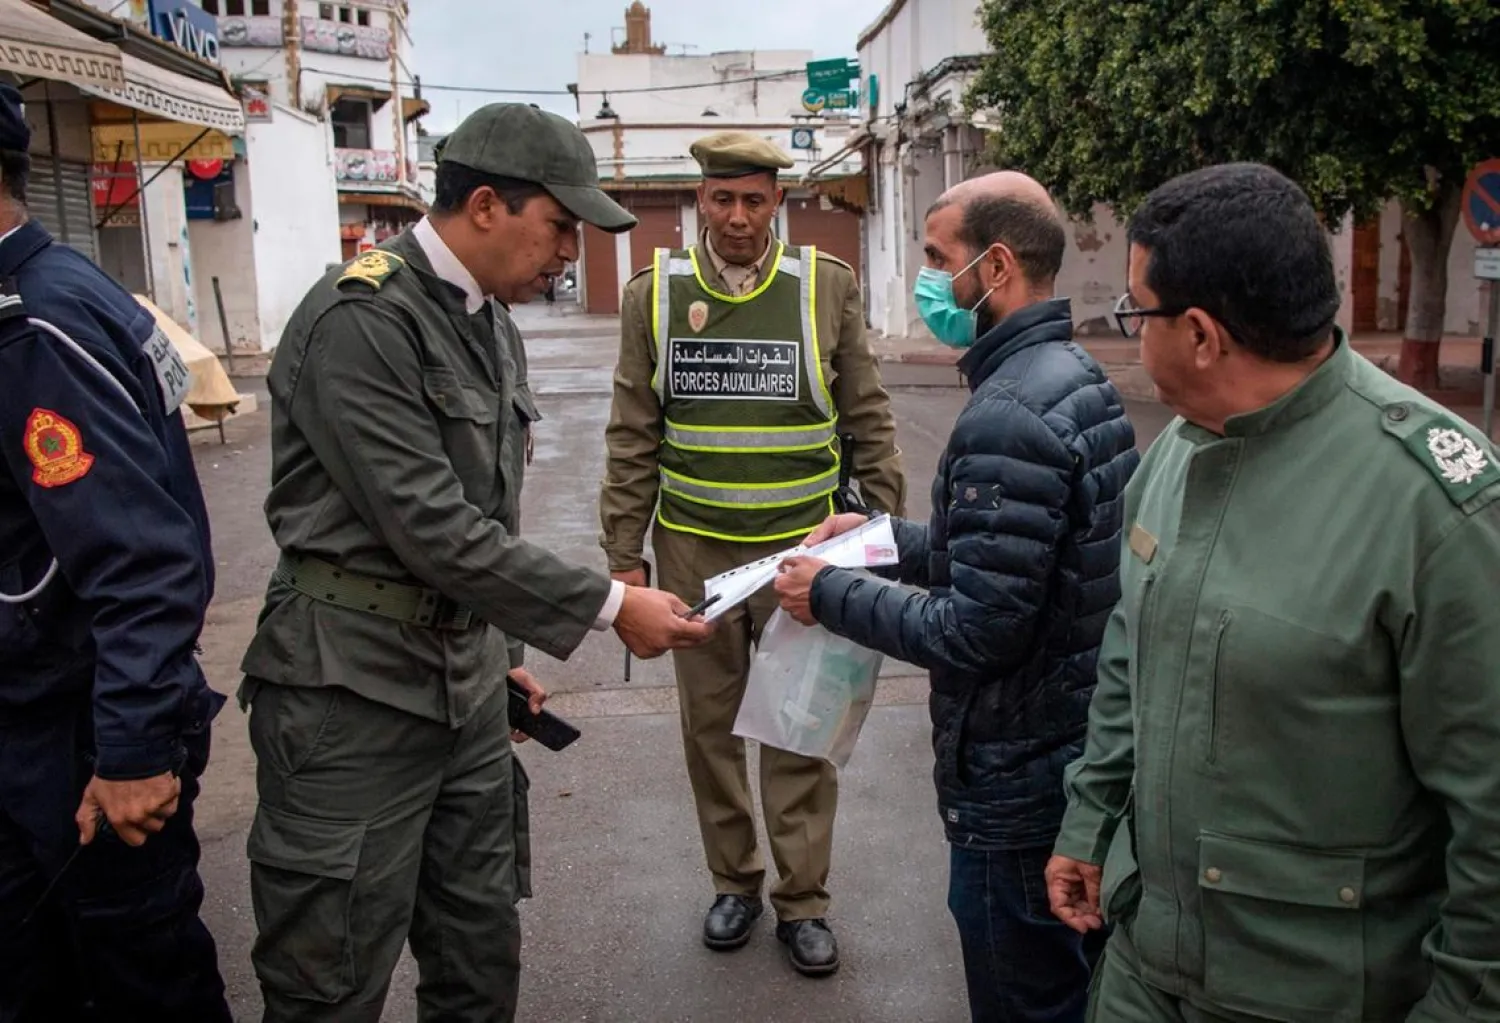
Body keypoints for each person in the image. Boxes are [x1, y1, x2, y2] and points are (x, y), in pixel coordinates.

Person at [238, 102, 715, 1023]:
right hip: (351, 700)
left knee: (477, 957)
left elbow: (484, 520)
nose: (570, 252)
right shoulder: (365, 320)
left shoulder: (485, 318)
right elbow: (434, 528)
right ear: (488, 204)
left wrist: (496, 657)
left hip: (457, 690)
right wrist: (614, 604)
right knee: (329, 980)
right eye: (561, 225)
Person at [1044, 162, 1500, 1021]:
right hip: (1147, 962)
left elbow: (1492, 813)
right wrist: (1091, 818)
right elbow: (1129, 653)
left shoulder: (1433, 507)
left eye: (1136, 312)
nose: (1129, 333)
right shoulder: (1177, 453)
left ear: (1203, 335)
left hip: (1308, 992)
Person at [774, 171, 1138, 1020]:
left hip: (1015, 780)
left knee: (1026, 995)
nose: (929, 279)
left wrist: (829, 595)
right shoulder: (1071, 372)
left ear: (998, 266)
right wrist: (879, 539)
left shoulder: (1008, 409)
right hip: (1066, 752)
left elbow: (976, 629)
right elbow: (1016, 559)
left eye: (940, 259)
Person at [598, 130, 906, 976]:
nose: (737, 216)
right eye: (721, 198)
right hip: (694, 555)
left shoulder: (824, 290)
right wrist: (626, 562)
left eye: (754, 199)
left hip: (801, 556)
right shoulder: (653, 295)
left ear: (779, 201)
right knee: (710, 727)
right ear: (698, 200)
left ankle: (803, 901)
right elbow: (632, 435)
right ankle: (733, 881)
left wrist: (879, 534)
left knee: (802, 725)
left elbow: (869, 420)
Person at [0, 84, 232, 1021]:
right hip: (51, 723)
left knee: (137, 985)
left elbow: (141, 558)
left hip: (71, 740)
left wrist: (133, 748)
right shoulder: (61, 291)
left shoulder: (33, 323)